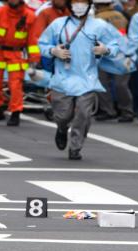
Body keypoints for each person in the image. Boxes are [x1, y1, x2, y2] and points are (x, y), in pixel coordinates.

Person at [39, 0, 119, 160]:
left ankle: (75, 147)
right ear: (69, 5)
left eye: (83, 2)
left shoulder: (100, 25)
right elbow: (42, 44)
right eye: (76, 2)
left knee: (83, 114)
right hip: (62, 78)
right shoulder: (58, 24)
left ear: (89, 5)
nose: (79, 5)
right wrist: (53, 51)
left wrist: (106, 49)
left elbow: (115, 45)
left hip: (87, 79)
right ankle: (61, 129)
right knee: (62, 116)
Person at [0, 0, 40, 126]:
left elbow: (32, 40)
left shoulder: (30, 16)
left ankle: (15, 112)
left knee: (15, 85)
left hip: (16, 53)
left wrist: (34, 60)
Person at [93, 0, 134, 122]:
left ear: (96, 5)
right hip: (122, 53)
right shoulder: (121, 15)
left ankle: (108, 111)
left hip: (104, 54)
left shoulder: (97, 19)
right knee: (121, 85)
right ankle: (127, 112)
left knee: (102, 83)